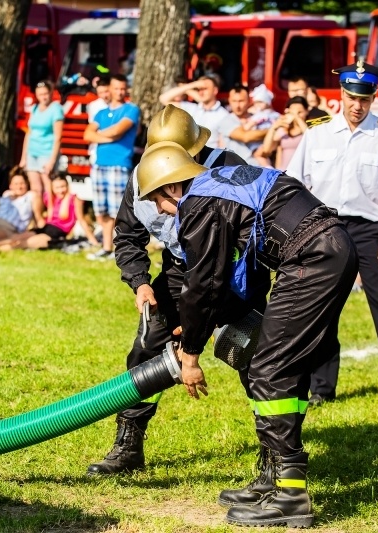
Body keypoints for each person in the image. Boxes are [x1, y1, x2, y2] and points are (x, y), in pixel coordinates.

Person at [138, 144, 358, 528]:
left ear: (173, 188)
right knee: (275, 366)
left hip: (313, 259)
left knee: (269, 371)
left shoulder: (198, 203)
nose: (159, 211)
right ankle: (274, 477)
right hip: (326, 249)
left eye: (158, 199)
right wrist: (202, 325)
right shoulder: (220, 185)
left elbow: (203, 283)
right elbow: (238, 275)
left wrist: (190, 352)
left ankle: (291, 496)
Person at [87, 103, 257, 478]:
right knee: (146, 352)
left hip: (235, 275)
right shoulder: (141, 177)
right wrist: (141, 283)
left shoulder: (230, 167)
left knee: (253, 357)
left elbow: (254, 237)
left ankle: (275, 453)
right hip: (181, 272)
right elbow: (127, 236)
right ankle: (128, 444)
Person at [287, 60, 378, 410]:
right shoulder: (317, 131)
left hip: (369, 231)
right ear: (342, 94)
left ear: (374, 97)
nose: (357, 105)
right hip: (324, 227)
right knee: (321, 309)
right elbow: (294, 183)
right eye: (352, 97)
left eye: (364, 99)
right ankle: (321, 387)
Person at [83, 74, 140, 260]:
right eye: (116, 88)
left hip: (119, 164)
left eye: (123, 88)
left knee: (119, 211)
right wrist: (109, 137)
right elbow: (87, 135)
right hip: (100, 165)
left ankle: (122, 249)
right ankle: (107, 247)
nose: (120, 92)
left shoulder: (131, 109)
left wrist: (101, 135)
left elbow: (118, 130)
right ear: (110, 89)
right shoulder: (101, 113)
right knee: (103, 210)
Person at [0, 174, 98, 251]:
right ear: (52, 189)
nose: (60, 190)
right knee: (15, 237)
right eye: (57, 188)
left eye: (63, 187)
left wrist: (93, 240)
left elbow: (81, 220)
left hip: (56, 232)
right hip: (45, 227)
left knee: (22, 243)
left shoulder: (74, 199)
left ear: (67, 186)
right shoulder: (51, 199)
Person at [18, 80, 64, 226]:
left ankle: (51, 216)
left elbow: (58, 137)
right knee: (35, 188)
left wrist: (51, 160)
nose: (43, 97)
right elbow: (29, 133)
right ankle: (37, 218)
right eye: (40, 94)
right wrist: (23, 157)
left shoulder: (56, 109)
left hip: (47, 151)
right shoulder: (35, 108)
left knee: (48, 187)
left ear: (51, 93)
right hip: (32, 151)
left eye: (45, 94)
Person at [158, 74, 230, 148]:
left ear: (215, 90)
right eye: (199, 89)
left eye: (205, 89)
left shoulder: (223, 115)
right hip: (189, 155)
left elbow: (223, 144)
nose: (201, 92)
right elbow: (163, 99)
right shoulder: (192, 108)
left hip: (209, 157)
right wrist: (192, 85)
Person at [218, 85, 267, 165]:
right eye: (234, 101)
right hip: (236, 171)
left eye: (241, 101)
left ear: (249, 101)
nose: (237, 105)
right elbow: (245, 137)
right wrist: (270, 131)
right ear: (229, 101)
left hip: (261, 170)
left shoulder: (257, 117)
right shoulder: (226, 120)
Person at [261, 96, 309, 170]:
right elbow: (266, 149)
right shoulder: (283, 130)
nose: (295, 115)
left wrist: (297, 117)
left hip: (303, 172)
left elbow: (309, 138)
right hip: (284, 172)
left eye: (300, 112)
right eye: (292, 112)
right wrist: (273, 128)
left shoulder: (309, 128)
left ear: (306, 111)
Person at [86, 76, 111, 167]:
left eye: (106, 91)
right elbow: (92, 130)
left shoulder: (120, 106)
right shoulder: (93, 106)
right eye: (100, 92)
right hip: (96, 149)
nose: (104, 95)